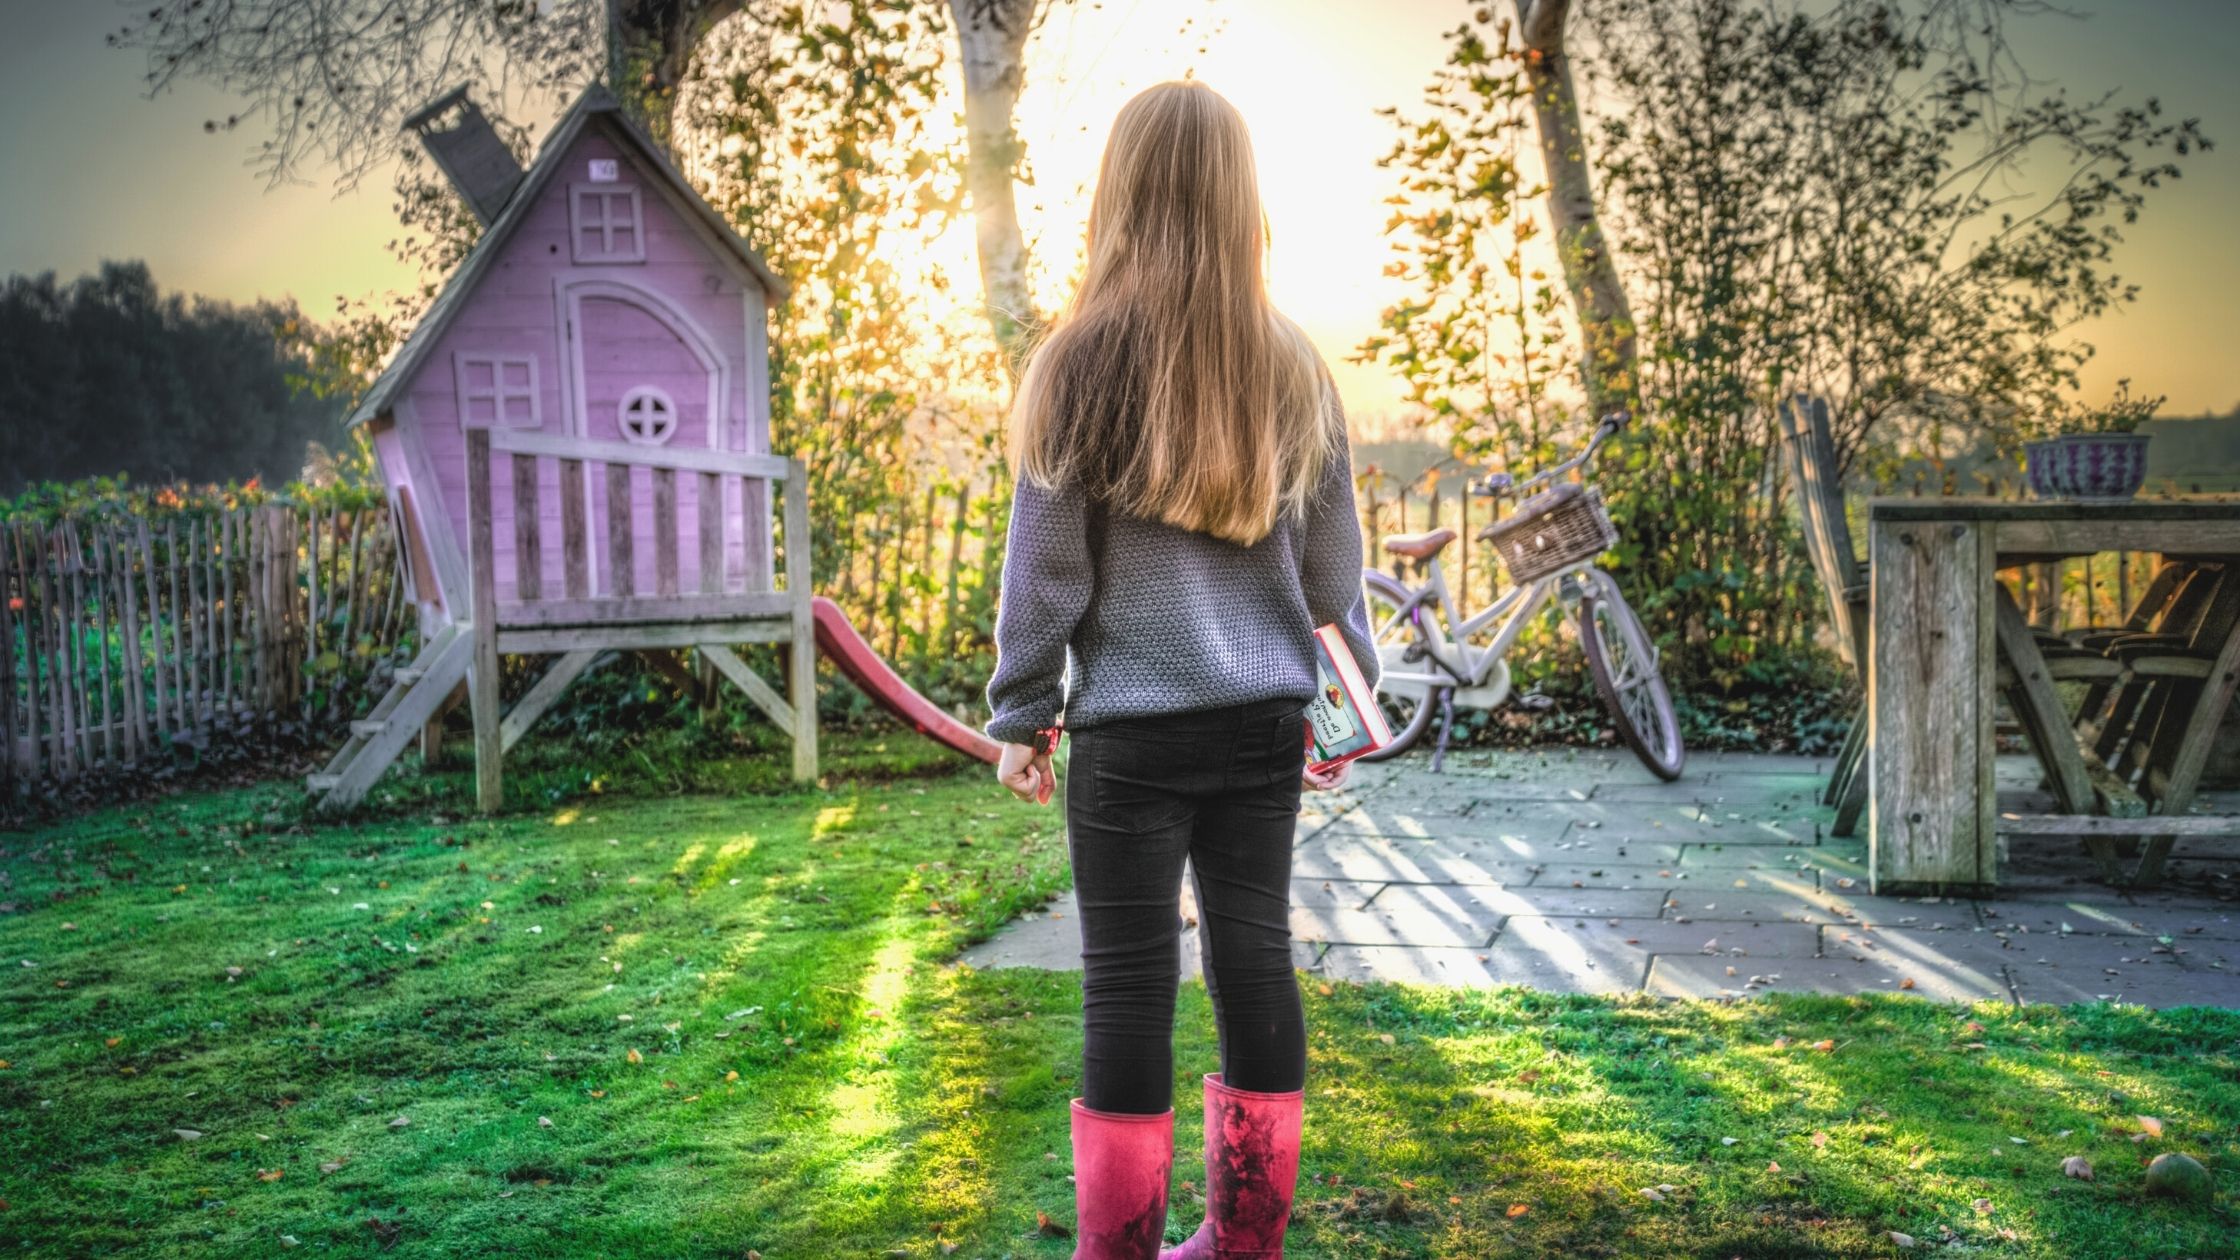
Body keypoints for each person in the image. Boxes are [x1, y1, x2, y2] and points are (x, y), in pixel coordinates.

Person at [983, 79, 1377, 1260]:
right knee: (1253, 954)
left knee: (1127, 984)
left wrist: (1020, 712)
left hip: (1129, 737)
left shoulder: (1076, 363)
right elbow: (1329, 580)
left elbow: (1043, 576)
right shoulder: (1294, 367)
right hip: (1259, 722)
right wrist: (1322, 694)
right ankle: (1243, 1241)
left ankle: (1121, 1251)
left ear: (1119, 198)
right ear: (1238, 202)